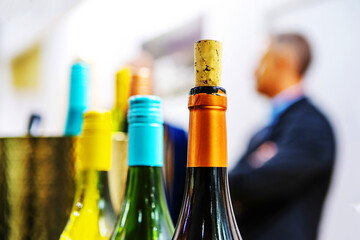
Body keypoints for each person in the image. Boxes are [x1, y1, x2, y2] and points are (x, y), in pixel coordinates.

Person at [229, 33, 336, 240]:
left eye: (261, 61)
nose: (253, 70)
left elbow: (251, 183)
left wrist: (214, 178)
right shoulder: (262, 132)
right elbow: (238, 180)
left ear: (282, 63)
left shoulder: (312, 126)